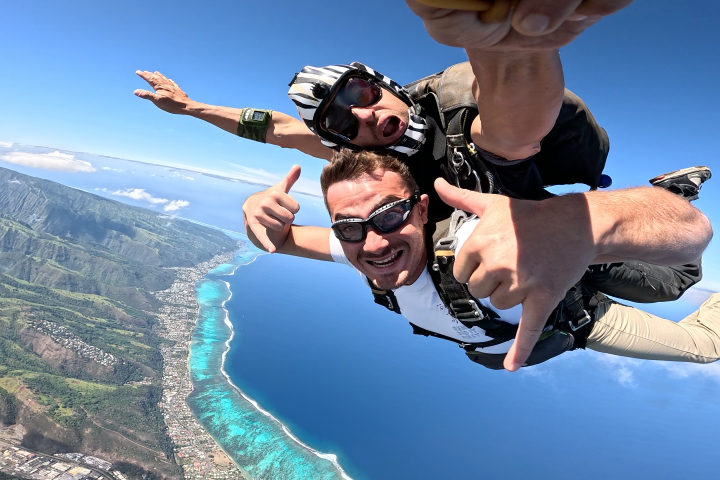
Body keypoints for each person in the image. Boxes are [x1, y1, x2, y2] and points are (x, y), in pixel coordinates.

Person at [133, 0, 708, 369]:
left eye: (360, 95)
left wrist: (516, 47)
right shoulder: (373, 203)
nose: (361, 116)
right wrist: (192, 109)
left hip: (535, 231)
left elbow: (512, 125)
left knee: (675, 279)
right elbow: (277, 129)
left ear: (379, 82)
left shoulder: (456, 122)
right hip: (537, 321)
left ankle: (667, 190)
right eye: (339, 121)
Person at [241, 150, 717, 369]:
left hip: (580, 322)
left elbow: (691, 234)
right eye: (348, 227)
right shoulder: (360, 249)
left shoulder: (467, 244)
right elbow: (277, 239)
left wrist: (580, 221)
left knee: (691, 311)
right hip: (514, 336)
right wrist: (253, 213)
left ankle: (666, 193)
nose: (372, 245)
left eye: (388, 217)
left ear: (423, 209)